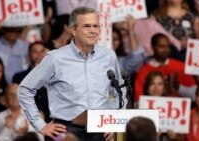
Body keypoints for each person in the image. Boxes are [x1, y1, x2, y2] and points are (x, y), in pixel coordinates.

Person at [17, 6, 127, 141]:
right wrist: (40, 125)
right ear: (73, 29)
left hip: (100, 131)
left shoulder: (108, 55)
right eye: (87, 26)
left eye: (96, 26)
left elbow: (120, 90)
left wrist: (113, 122)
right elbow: (25, 89)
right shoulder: (55, 58)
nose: (93, 31)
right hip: (65, 131)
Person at [134, 33, 197, 103]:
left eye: (168, 46)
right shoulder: (143, 71)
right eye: (161, 46)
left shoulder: (181, 67)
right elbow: (137, 101)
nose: (166, 49)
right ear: (152, 48)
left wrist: (178, 88)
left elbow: (195, 95)